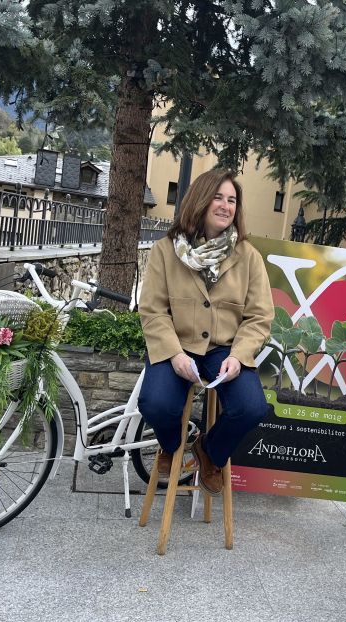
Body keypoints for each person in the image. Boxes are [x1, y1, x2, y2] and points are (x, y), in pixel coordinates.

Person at [138, 169, 274, 495]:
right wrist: (174, 354)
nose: (226, 206)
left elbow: (259, 316)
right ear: (200, 200)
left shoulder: (249, 257)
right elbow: (153, 311)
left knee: (251, 408)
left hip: (224, 348)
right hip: (176, 344)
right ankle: (172, 445)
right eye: (218, 197)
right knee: (156, 405)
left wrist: (239, 356)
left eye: (232, 200)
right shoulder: (165, 251)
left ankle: (209, 450)